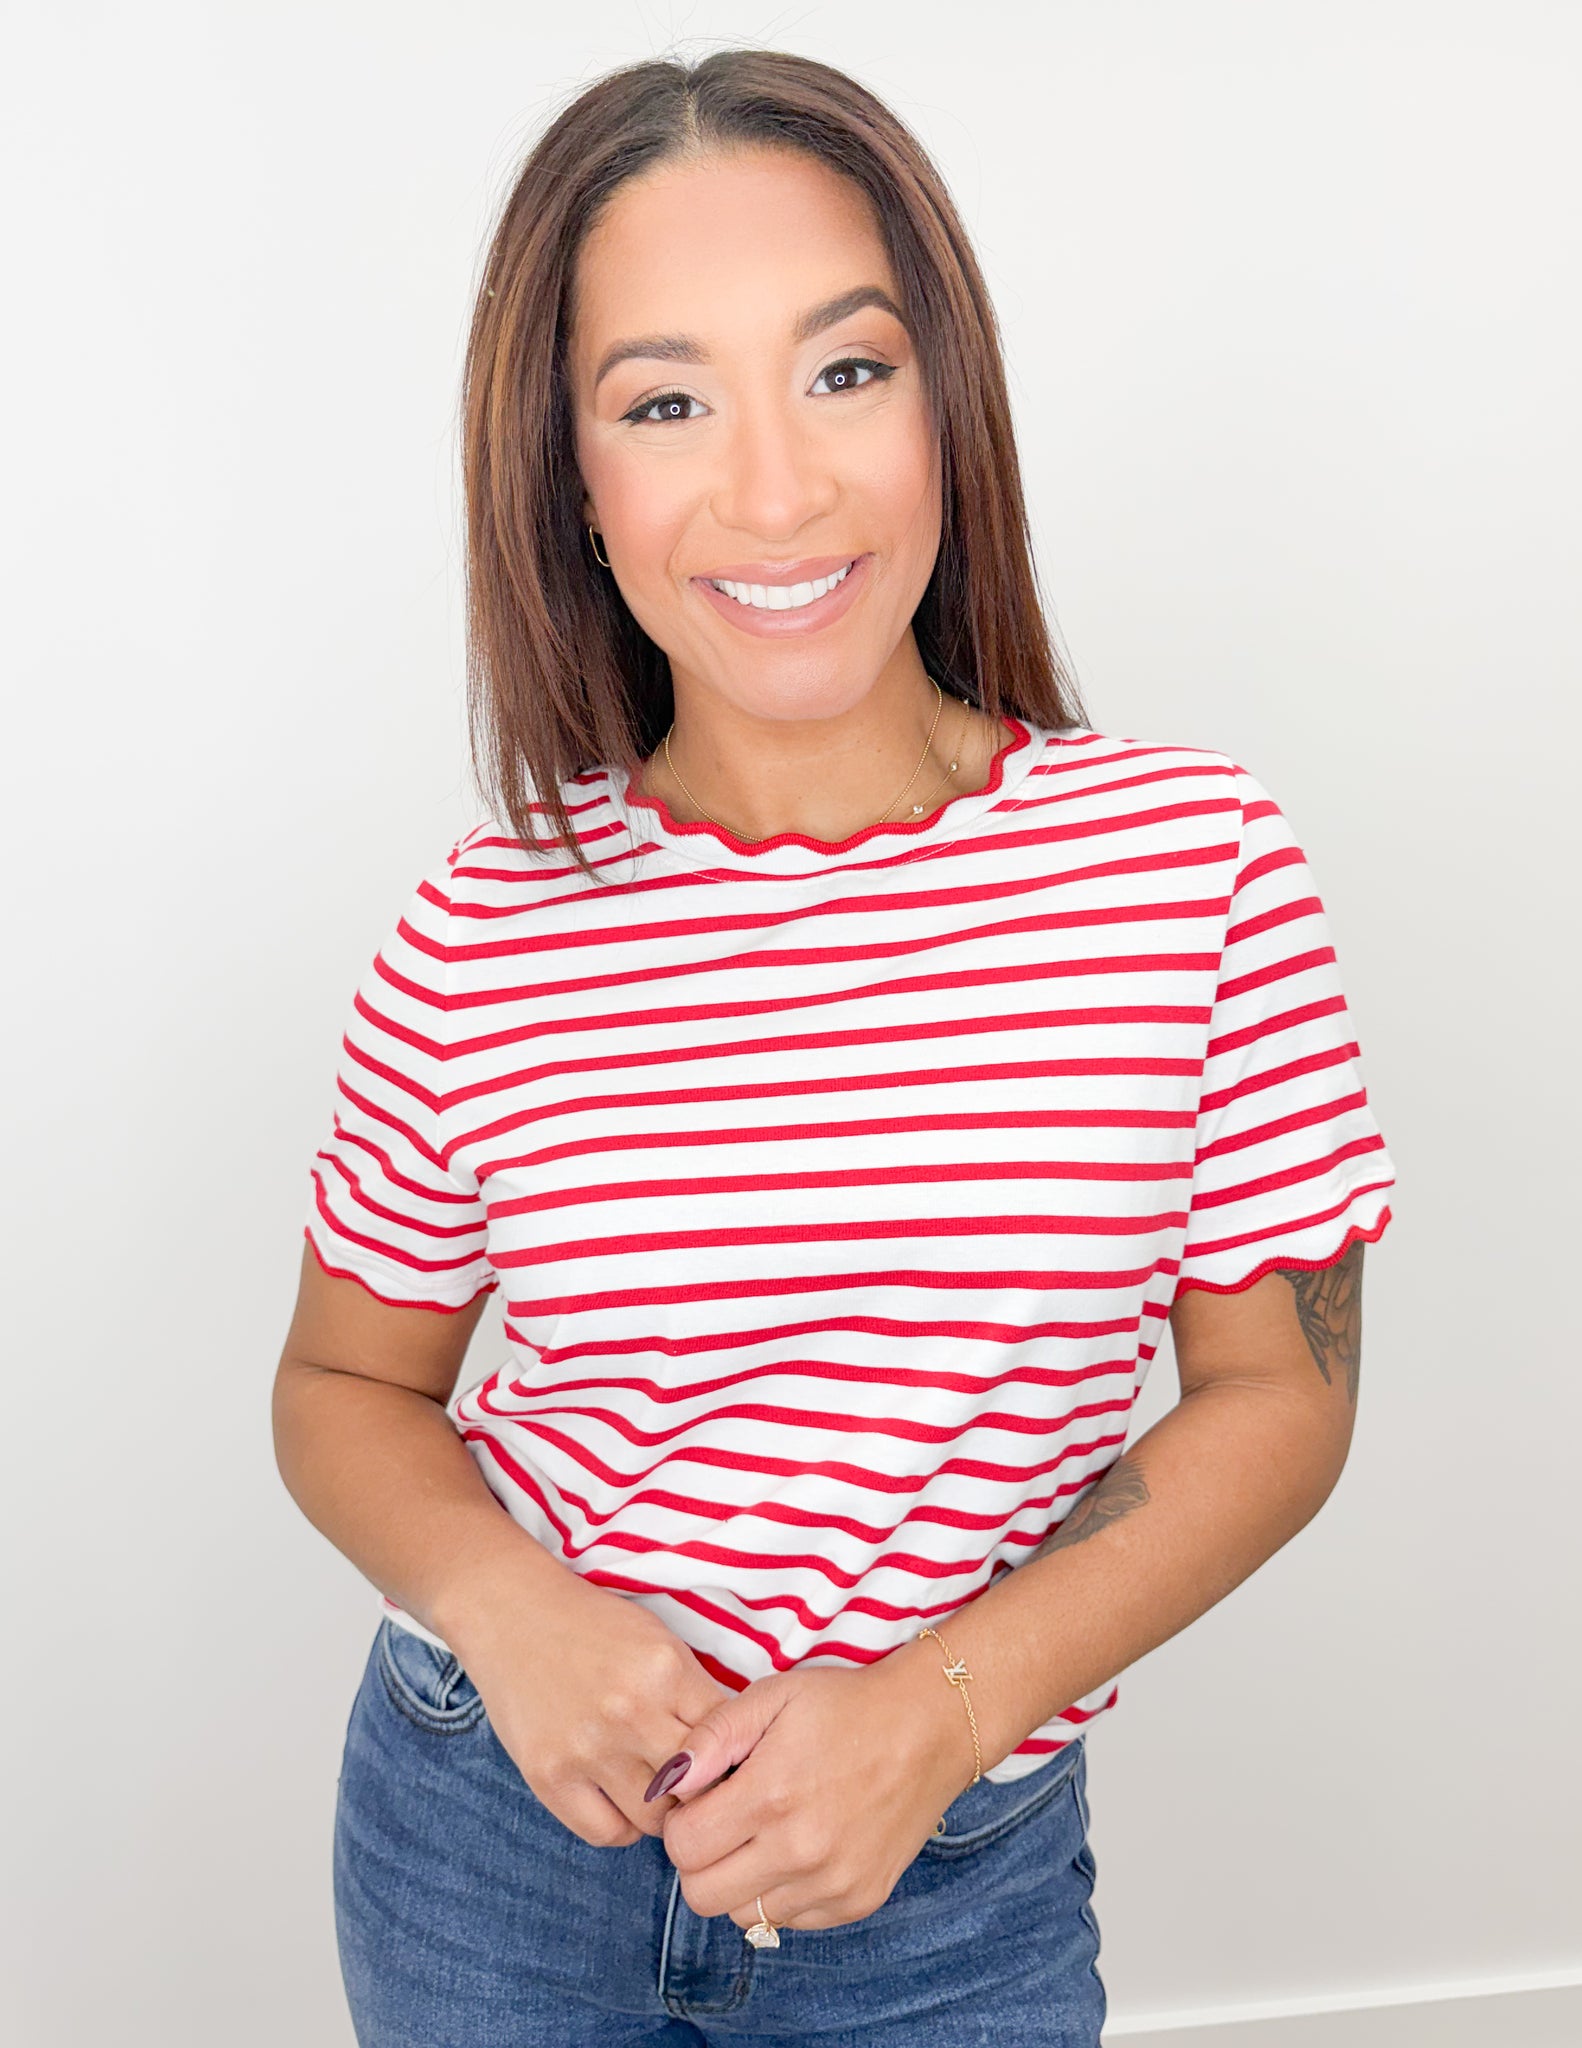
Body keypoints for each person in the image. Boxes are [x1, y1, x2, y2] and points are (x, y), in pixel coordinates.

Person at [273, 47, 1397, 2048]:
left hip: (942, 1884)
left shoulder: (1188, 866)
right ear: (573, 480)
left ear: (947, 404)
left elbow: (1277, 1395)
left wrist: (933, 1715)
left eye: (845, 370)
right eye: (666, 401)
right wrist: (512, 1613)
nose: (775, 487)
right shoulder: (482, 926)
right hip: (490, 1844)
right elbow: (347, 1381)